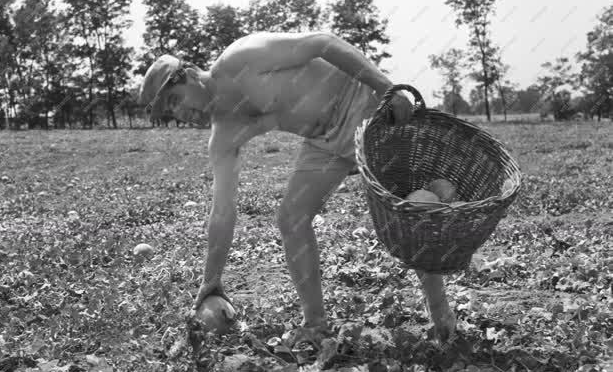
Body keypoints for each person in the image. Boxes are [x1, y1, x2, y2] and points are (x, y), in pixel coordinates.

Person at [139, 32, 455, 344]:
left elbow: (323, 43)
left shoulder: (241, 59)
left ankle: (440, 311)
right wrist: (211, 280)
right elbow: (222, 211)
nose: (179, 113)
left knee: (404, 210)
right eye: (170, 111)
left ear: (191, 74)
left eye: (176, 99)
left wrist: (388, 89)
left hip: (363, 108)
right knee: (291, 219)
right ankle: (316, 324)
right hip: (325, 142)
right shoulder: (223, 136)